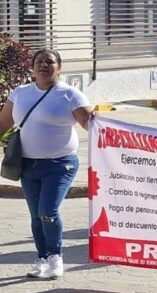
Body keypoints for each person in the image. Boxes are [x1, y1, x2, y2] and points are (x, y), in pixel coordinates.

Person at [0, 49, 94, 279]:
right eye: (39, 62)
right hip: (28, 164)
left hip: (60, 165)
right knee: (35, 215)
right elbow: (3, 122)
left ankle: (55, 256)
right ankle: (41, 257)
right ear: (32, 67)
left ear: (59, 67)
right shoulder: (20, 93)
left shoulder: (70, 95)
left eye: (49, 62)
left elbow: (89, 123)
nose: (43, 65)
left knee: (48, 212)